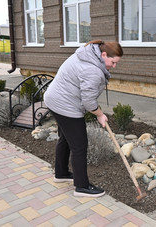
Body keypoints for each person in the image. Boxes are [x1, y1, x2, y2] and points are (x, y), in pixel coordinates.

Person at [44, 40, 123, 197]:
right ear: (104, 54)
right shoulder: (92, 69)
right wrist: (100, 115)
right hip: (65, 104)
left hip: (55, 98)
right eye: (113, 62)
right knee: (79, 145)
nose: (114, 66)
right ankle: (81, 186)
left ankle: (61, 174)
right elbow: (88, 102)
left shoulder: (88, 53)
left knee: (66, 138)